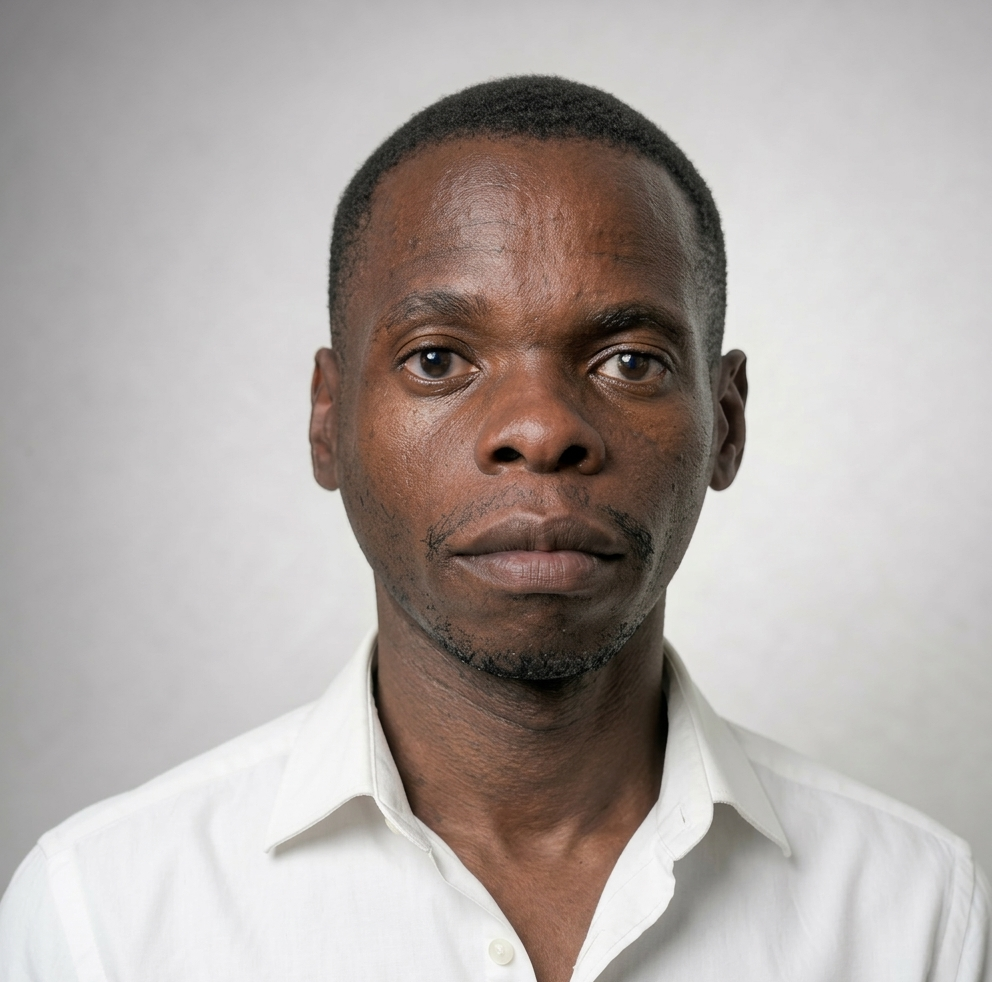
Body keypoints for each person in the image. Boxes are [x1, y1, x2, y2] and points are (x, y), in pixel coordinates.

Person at [0, 74, 988, 982]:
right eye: (437, 360)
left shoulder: (918, 911)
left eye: (629, 361)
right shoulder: (105, 915)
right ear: (325, 420)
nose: (540, 428)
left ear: (724, 421)